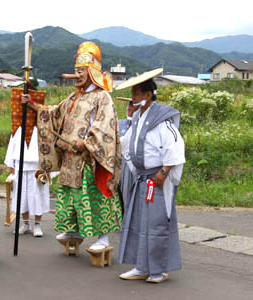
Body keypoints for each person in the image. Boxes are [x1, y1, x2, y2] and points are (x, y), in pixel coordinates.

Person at [21, 42, 122, 252]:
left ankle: (103, 237)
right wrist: (31, 104)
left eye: (81, 71)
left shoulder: (102, 96)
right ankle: (73, 231)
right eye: (75, 71)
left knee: (94, 198)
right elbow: (55, 113)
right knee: (71, 200)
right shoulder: (74, 96)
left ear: (92, 72)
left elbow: (105, 126)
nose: (77, 75)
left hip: (90, 158)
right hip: (70, 159)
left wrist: (86, 143)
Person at [116, 69, 186, 284]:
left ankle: (157, 270)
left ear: (148, 95)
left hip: (156, 178)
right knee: (138, 223)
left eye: (136, 93)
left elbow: (175, 145)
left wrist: (164, 171)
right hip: (141, 179)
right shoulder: (137, 117)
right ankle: (141, 266)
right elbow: (127, 142)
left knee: (156, 225)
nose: (133, 97)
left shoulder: (161, 118)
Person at [4, 126, 50, 237]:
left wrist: (47, 166)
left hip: (37, 165)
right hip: (20, 164)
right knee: (22, 194)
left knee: (37, 194)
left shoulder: (42, 126)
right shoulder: (18, 126)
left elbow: (48, 145)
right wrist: (11, 163)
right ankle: (25, 223)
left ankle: (37, 225)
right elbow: (12, 144)